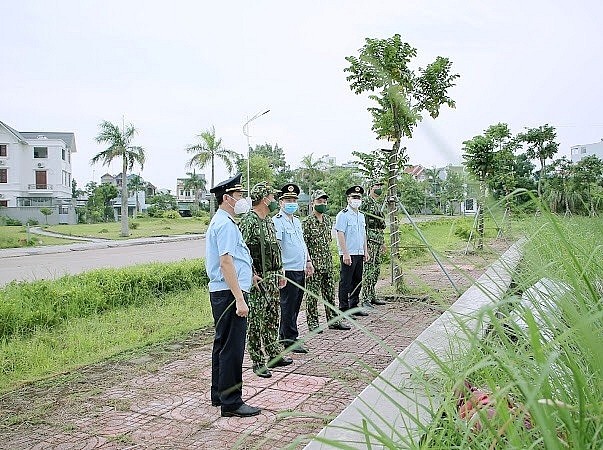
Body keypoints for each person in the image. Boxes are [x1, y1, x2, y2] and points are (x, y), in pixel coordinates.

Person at [205, 173, 260, 418]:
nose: (243, 200)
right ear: (227, 198)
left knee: (222, 344)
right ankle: (232, 402)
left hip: (223, 291)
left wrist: (250, 276)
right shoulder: (225, 224)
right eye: (239, 196)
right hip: (229, 294)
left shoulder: (223, 221)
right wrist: (240, 298)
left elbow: (235, 259)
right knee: (232, 348)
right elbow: (226, 262)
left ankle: (219, 394)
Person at [239, 182, 294, 378]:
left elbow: (275, 249)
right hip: (257, 279)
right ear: (264, 199)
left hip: (272, 276)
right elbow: (242, 251)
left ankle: (273, 354)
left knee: (272, 317)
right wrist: (251, 273)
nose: (273, 200)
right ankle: (257, 361)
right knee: (256, 321)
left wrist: (280, 271)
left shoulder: (269, 221)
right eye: (271, 197)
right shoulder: (249, 221)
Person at [273, 183, 314, 353]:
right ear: (281, 202)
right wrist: (280, 269)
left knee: (296, 303)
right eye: (288, 200)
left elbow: (301, 243)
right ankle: (290, 339)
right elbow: (277, 247)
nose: (291, 203)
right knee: (288, 304)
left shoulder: (296, 221)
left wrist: (308, 261)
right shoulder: (277, 221)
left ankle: (286, 333)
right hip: (287, 269)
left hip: (300, 267)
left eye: (294, 200)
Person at [302, 189, 351, 331]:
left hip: (327, 263)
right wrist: (307, 262)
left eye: (324, 201)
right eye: (319, 201)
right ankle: (313, 323)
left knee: (330, 293)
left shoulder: (328, 220)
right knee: (312, 296)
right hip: (314, 265)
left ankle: (333, 321)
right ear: (312, 203)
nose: (322, 204)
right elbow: (304, 245)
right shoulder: (307, 222)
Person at [335, 185, 370, 317]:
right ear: (348, 199)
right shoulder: (343, 215)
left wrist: (365, 251)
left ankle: (354, 305)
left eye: (359, 197)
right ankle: (343, 308)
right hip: (348, 253)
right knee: (346, 281)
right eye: (354, 197)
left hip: (359, 252)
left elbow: (363, 234)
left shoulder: (361, 216)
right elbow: (340, 234)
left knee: (357, 280)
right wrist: (345, 253)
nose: (356, 199)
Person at [360, 180, 388, 308]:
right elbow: (362, 221)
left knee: (376, 269)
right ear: (370, 188)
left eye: (380, 186)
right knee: (369, 269)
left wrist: (382, 242)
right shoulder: (366, 202)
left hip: (377, 240)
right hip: (369, 240)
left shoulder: (376, 204)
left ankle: (372, 295)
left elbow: (380, 226)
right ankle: (365, 298)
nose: (378, 188)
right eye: (376, 186)